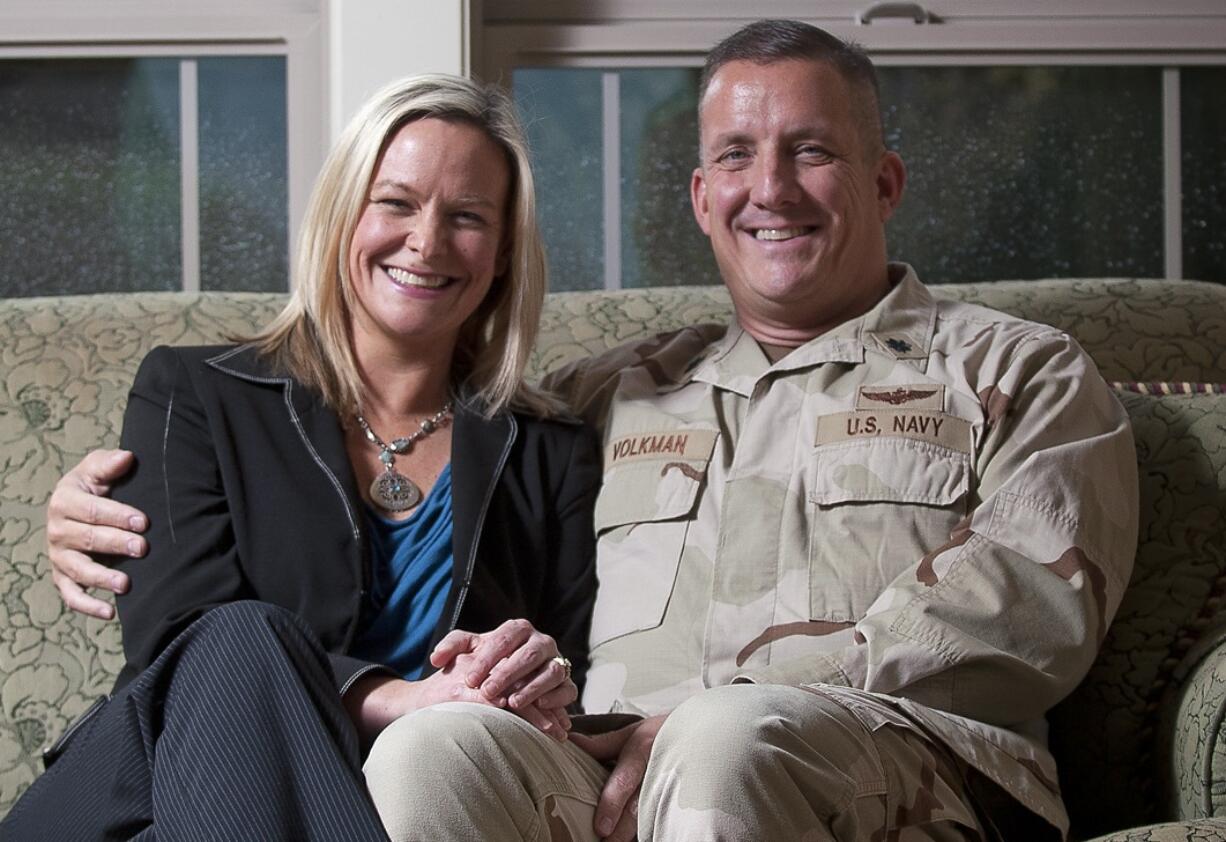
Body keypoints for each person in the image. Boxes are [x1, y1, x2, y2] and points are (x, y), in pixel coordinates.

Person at [44, 19, 1138, 842]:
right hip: (602, 767)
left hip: (902, 757)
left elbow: (1027, 608)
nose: (771, 189)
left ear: (884, 178)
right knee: (435, 744)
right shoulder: (600, 398)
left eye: (810, 151)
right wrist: (85, 506)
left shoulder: (1012, 368)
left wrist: (724, 702)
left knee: (718, 735)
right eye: (738, 159)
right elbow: (195, 630)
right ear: (700, 199)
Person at [10, 73, 601, 840]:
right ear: (342, 216)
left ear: (503, 255)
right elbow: (176, 641)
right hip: (150, 794)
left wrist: (535, 675)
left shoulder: (551, 451)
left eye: (467, 217)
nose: (426, 241)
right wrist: (400, 698)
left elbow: (576, 681)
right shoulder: (191, 394)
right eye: (395, 202)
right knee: (240, 639)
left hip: (399, 807)